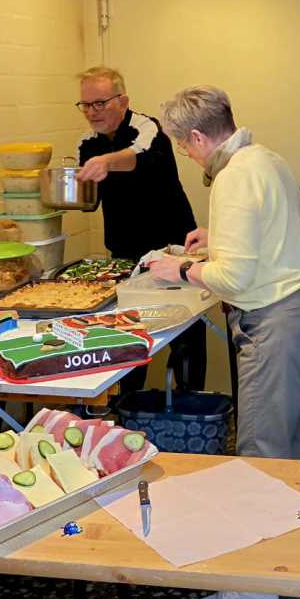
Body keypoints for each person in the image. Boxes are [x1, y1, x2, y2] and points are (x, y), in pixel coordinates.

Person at [148, 85, 300, 599]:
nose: (187, 155)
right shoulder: (262, 157)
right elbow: (263, 233)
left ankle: (254, 593)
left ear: (198, 136)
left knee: (260, 454)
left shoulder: (231, 177)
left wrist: (180, 268)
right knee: (284, 446)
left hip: (275, 322)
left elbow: (235, 278)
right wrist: (219, 237)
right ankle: (290, 553)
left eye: (184, 145)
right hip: (296, 312)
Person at [74, 67, 205, 392]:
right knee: (128, 332)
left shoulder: (147, 128)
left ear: (123, 101)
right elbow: (89, 202)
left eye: (100, 103)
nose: (92, 112)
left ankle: (190, 405)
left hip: (171, 246)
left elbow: (140, 160)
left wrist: (106, 162)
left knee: (186, 331)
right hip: (124, 251)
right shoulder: (87, 144)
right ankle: (129, 406)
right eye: (86, 105)